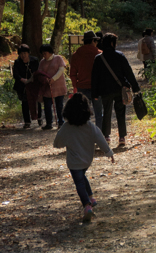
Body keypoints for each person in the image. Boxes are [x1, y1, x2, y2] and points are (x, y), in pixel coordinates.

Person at [53, 92, 114, 220]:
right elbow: (101, 139)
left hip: (74, 162)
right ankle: (91, 197)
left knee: (79, 182)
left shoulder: (66, 127)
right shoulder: (90, 127)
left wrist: (61, 144)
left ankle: (87, 206)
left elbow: (58, 143)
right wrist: (109, 153)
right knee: (82, 177)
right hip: (87, 160)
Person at [91, 32, 140, 148]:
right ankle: (121, 137)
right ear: (113, 43)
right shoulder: (120, 55)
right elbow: (128, 73)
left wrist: (95, 93)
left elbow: (95, 77)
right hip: (119, 89)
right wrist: (135, 87)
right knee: (120, 112)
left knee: (106, 113)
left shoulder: (99, 58)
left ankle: (106, 136)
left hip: (105, 90)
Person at [70, 31, 103, 129]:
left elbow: (72, 73)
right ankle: (100, 134)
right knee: (99, 113)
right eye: (95, 41)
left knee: (84, 114)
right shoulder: (99, 54)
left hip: (82, 87)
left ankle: (86, 134)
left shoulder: (76, 54)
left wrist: (75, 85)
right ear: (93, 41)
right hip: (97, 87)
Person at [37, 43, 68, 130]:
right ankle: (49, 123)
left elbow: (61, 69)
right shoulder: (42, 62)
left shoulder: (58, 58)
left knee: (59, 105)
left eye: (45, 53)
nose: (44, 55)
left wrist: (53, 79)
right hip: (47, 87)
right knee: (47, 106)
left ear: (50, 52)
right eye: (42, 54)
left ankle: (61, 122)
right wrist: (44, 80)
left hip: (59, 86)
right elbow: (39, 73)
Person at [12, 44, 41, 128]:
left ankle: (39, 118)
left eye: (25, 53)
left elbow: (38, 71)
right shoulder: (17, 62)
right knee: (25, 103)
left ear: (28, 53)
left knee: (37, 101)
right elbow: (15, 74)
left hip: (34, 84)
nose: (23, 55)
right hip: (22, 86)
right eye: (21, 54)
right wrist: (22, 79)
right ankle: (27, 122)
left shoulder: (34, 60)